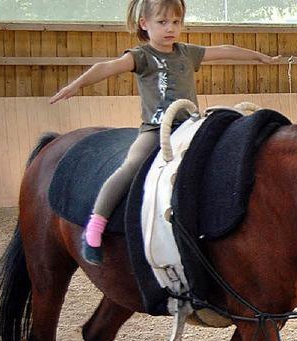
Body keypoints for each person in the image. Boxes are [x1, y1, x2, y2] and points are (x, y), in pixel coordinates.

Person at [49, 0, 280, 265]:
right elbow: (106, 67)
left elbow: (224, 50)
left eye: (176, 22)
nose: (170, 28)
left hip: (191, 126)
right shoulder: (141, 56)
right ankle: (95, 228)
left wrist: (259, 57)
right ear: (144, 24)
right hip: (157, 130)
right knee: (132, 166)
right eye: (162, 22)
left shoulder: (186, 52)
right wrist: (77, 84)